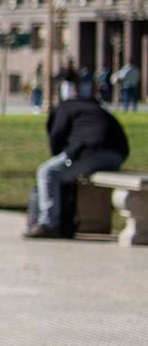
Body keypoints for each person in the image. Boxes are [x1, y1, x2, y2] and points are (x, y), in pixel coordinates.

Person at [26, 94, 130, 238]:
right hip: (116, 157)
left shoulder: (65, 107)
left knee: (47, 172)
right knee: (62, 171)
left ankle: (48, 224)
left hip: (90, 152)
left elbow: (57, 135)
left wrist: (58, 156)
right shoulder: (97, 109)